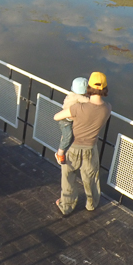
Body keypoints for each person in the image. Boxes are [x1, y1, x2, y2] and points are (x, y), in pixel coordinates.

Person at [52, 71, 111, 215]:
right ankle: (91, 204)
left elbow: (56, 117)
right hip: (91, 149)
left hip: (72, 147)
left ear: (88, 88)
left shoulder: (77, 108)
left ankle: (66, 206)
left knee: (68, 178)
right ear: (104, 88)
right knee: (91, 179)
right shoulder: (107, 108)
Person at [55, 77, 89, 164]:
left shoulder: (72, 95)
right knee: (68, 137)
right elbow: (89, 102)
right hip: (66, 121)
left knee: (68, 136)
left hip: (68, 119)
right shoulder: (78, 97)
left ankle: (64, 146)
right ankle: (60, 153)